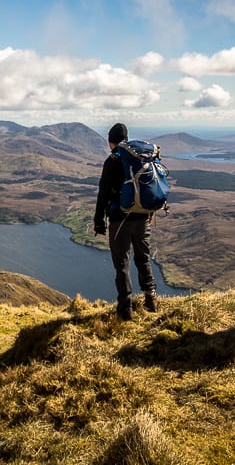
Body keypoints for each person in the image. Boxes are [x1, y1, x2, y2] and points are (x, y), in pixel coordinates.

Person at [93, 123, 158, 321]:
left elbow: (103, 192)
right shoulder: (141, 158)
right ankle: (151, 300)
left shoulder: (112, 160)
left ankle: (125, 311)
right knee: (143, 258)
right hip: (142, 218)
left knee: (122, 264)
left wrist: (98, 221)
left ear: (110, 141)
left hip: (119, 219)